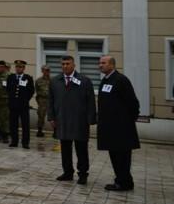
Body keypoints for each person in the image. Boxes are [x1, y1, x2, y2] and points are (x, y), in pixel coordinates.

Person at [49, 55, 96, 185]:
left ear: (74, 65)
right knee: (65, 148)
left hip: (79, 120)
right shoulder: (55, 81)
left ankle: (82, 174)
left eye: (68, 64)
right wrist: (51, 117)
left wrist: (91, 119)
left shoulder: (84, 80)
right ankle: (67, 172)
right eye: (63, 64)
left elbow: (91, 101)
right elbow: (51, 101)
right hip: (62, 119)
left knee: (81, 148)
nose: (65, 66)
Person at [96, 55, 140, 192]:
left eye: (103, 63)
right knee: (115, 155)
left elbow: (133, 103)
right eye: (99, 63)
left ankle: (124, 182)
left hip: (121, 128)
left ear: (112, 65)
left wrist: (126, 121)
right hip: (109, 127)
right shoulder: (106, 80)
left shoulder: (121, 80)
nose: (100, 65)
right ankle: (120, 180)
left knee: (123, 156)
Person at [6, 60, 35, 149]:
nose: (18, 69)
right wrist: (11, 100)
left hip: (23, 105)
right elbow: (8, 89)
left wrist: (25, 100)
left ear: (24, 68)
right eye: (17, 67)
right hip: (13, 105)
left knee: (25, 125)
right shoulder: (11, 77)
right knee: (13, 124)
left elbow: (31, 90)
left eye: (21, 67)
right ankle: (14, 141)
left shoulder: (28, 78)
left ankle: (25, 143)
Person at [35, 66, 51, 137]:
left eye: (48, 70)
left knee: (54, 116)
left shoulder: (53, 80)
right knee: (41, 116)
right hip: (42, 101)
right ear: (42, 71)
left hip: (51, 100)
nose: (46, 72)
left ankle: (56, 131)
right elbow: (37, 91)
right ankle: (39, 130)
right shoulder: (38, 81)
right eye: (45, 70)